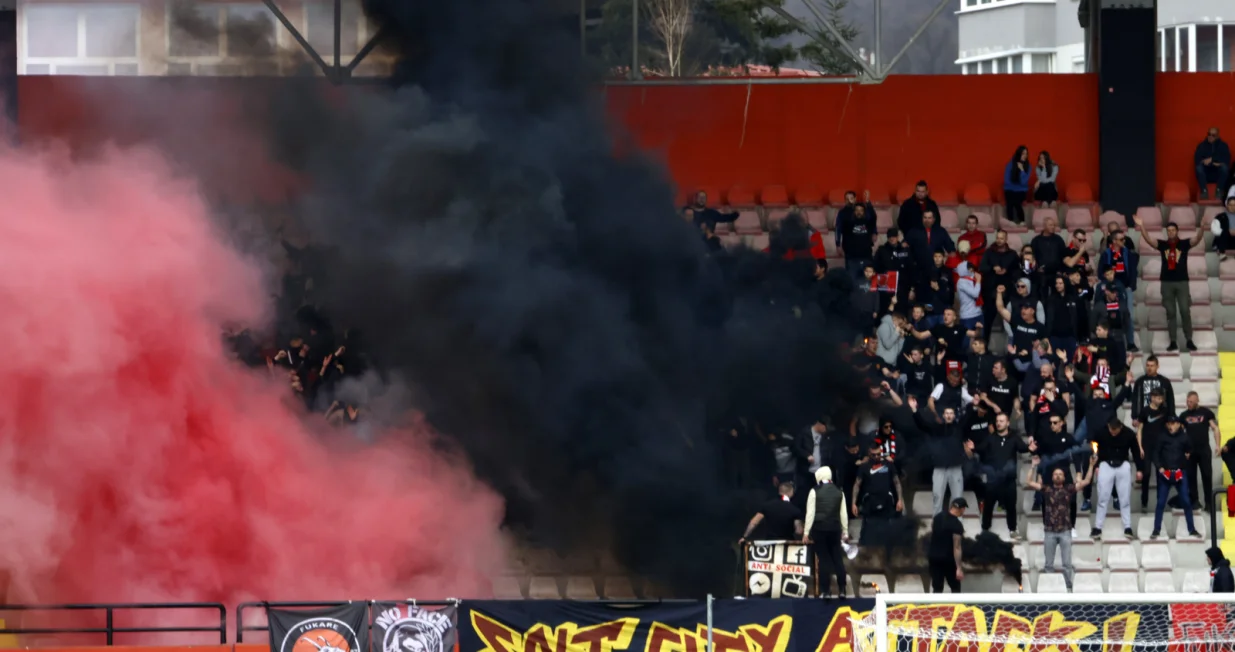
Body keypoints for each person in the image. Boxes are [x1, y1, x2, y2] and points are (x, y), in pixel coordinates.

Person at [1133, 215, 1205, 352]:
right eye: (1169, 230)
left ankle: (1189, 340)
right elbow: (1148, 240)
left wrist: (1202, 228)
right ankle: (1173, 341)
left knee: (1185, 310)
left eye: (1173, 230)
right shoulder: (1163, 245)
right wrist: (1142, 225)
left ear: (1177, 231)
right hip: (1166, 282)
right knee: (1170, 312)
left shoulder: (1184, 244)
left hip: (1182, 282)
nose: (1171, 232)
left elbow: (1197, 240)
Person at [1026, 455, 1097, 592]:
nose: (1058, 476)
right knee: (1048, 564)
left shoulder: (1069, 489)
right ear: (1052, 477)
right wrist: (1033, 466)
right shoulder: (1046, 489)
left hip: (1065, 531)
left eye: (1060, 474)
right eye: (1055, 474)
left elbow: (1086, 481)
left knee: (1067, 564)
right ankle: (1049, 588)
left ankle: (1068, 588)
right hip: (1049, 531)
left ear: (1064, 478)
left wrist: (1091, 465)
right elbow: (1029, 482)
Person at [977, 413, 1029, 539]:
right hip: (993, 480)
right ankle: (985, 529)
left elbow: (1023, 448)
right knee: (988, 506)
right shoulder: (990, 438)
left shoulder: (1014, 437)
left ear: (1007, 423)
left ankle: (1013, 529)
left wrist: (1031, 448)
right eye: (997, 421)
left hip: (1009, 480)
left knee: (1011, 506)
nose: (998, 423)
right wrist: (973, 448)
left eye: (1001, 421)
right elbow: (980, 449)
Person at [1090, 416, 1142, 539]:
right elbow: (1094, 448)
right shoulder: (1101, 432)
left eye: (1115, 430)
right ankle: (1098, 527)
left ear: (1120, 427)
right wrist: (1096, 465)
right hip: (1105, 464)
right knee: (1102, 497)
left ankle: (1127, 527)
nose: (1113, 432)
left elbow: (1135, 452)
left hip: (1122, 464)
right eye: (1111, 429)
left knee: (1124, 498)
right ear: (1108, 426)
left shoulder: (1129, 433)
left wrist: (1139, 469)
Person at [1150, 416, 1200, 539]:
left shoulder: (1184, 437)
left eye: (1173, 423)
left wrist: (1189, 453)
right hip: (1165, 474)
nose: (1171, 426)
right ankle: (1156, 530)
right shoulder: (1162, 436)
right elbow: (1155, 453)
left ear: (1178, 424)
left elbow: (1191, 448)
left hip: (1180, 473)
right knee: (1161, 503)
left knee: (1186, 502)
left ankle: (1192, 529)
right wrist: (1159, 467)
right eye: (1169, 423)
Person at [802, 466, 849, 597]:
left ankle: (826, 591)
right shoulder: (839, 491)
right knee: (837, 559)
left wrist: (806, 533)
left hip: (819, 529)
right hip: (835, 529)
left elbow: (810, 514)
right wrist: (845, 531)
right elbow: (843, 514)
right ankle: (842, 590)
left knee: (824, 560)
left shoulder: (814, 491)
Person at [1180, 391, 1220, 511]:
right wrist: (1183, 449)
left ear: (1197, 400)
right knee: (1191, 477)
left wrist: (1217, 445)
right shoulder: (1183, 415)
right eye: (1187, 401)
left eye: (1191, 401)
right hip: (1190, 452)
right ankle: (1194, 501)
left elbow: (1215, 428)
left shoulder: (1206, 412)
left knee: (1207, 476)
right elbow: (1180, 434)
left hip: (1204, 450)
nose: (1189, 403)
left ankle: (1209, 503)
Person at [1137, 388, 1172, 510]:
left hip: (1160, 448)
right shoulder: (1145, 411)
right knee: (1146, 474)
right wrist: (1140, 447)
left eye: (1161, 398)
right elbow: (1140, 429)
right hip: (1147, 446)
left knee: (1161, 475)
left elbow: (1169, 428)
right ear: (1152, 398)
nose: (1160, 400)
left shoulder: (1165, 411)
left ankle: (1160, 503)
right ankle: (1144, 502)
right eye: (1158, 398)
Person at [739, 481, 804, 543]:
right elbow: (799, 531)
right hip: (787, 543)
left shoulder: (767, 506)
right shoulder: (795, 510)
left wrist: (744, 537)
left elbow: (754, 522)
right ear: (791, 492)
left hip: (770, 542)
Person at [835, 190, 879, 280]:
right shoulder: (846, 218)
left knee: (867, 280)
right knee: (851, 279)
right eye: (847, 199)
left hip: (865, 254)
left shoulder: (867, 219)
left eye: (851, 198)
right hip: (851, 255)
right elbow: (838, 229)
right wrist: (837, 244)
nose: (849, 201)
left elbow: (873, 218)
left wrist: (868, 203)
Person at [926, 497, 967, 593]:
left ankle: (936, 608)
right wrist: (959, 568)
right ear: (962, 509)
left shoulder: (937, 517)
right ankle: (956, 607)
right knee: (955, 588)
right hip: (948, 560)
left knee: (937, 588)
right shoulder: (957, 525)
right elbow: (957, 547)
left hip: (934, 558)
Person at [1132, 355, 1176, 422]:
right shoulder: (1139, 382)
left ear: (1157, 366)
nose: (1149, 368)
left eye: (1152, 366)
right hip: (1144, 416)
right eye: (1148, 365)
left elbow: (1170, 400)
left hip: (1161, 416)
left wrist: (1171, 415)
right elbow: (1135, 400)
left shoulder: (1165, 381)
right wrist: (1134, 417)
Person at [1195, 127, 1231, 200]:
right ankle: (1204, 191)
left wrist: (1212, 159)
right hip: (1206, 173)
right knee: (1199, 168)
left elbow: (1226, 160)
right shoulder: (1202, 146)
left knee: (1225, 168)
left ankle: (1219, 190)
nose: (1210, 136)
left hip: (1218, 174)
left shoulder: (1223, 146)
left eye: (1213, 135)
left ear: (1217, 136)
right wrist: (1213, 163)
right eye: (1209, 134)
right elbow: (1197, 160)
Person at [1004, 146, 1031, 225]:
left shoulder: (1028, 166)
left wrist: (1022, 170)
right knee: (1010, 202)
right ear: (1018, 154)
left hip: (1021, 190)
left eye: (1026, 154)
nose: (1025, 156)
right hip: (1009, 189)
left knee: (1016, 201)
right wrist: (1014, 187)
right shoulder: (1010, 165)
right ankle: (1011, 221)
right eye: (1023, 154)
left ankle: (1022, 221)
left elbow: (1023, 182)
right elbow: (1006, 180)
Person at [1211, 194, 1235, 261]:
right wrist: (1228, 232)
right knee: (1223, 232)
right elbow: (1214, 230)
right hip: (1224, 241)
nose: (1233, 207)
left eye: (1234, 205)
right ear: (1227, 206)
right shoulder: (1220, 216)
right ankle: (1222, 253)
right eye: (1231, 205)